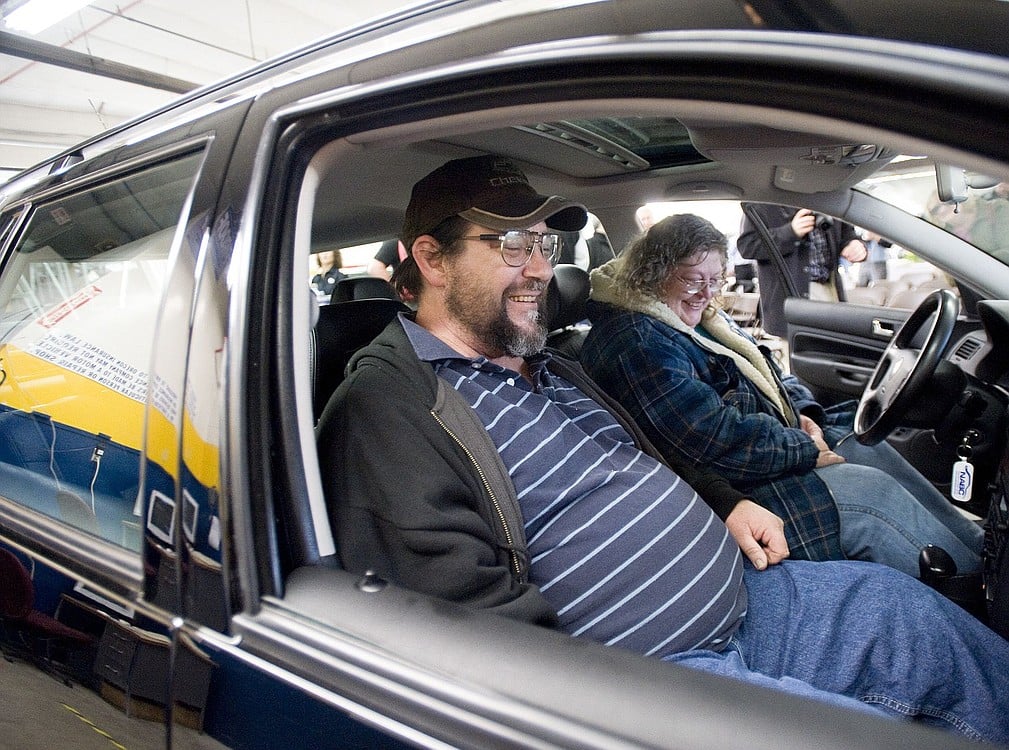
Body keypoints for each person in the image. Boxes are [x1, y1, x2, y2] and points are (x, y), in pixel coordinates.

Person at [316, 154, 1009, 743]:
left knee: (911, 616)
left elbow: (647, 453)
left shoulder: (548, 363)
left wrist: (725, 501)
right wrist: (635, 704)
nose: (535, 269)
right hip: (653, 680)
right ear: (432, 259)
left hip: (750, 597)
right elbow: (462, 631)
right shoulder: (390, 408)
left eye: (542, 245)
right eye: (509, 245)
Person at [579, 213, 983, 579]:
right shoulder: (638, 342)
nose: (705, 293)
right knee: (872, 494)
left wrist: (805, 412)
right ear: (654, 273)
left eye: (714, 280)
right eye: (692, 279)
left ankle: (982, 554)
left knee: (869, 447)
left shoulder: (700, 319)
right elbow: (713, 440)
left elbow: (770, 369)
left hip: (773, 446)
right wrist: (804, 446)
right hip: (731, 486)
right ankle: (969, 587)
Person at [737, 204, 868, 336]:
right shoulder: (765, 198)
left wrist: (854, 245)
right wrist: (789, 232)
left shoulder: (831, 194)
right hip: (787, 301)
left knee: (831, 349)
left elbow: (847, 235)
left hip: (829, 290)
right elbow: (748, 246)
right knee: (795, 353)